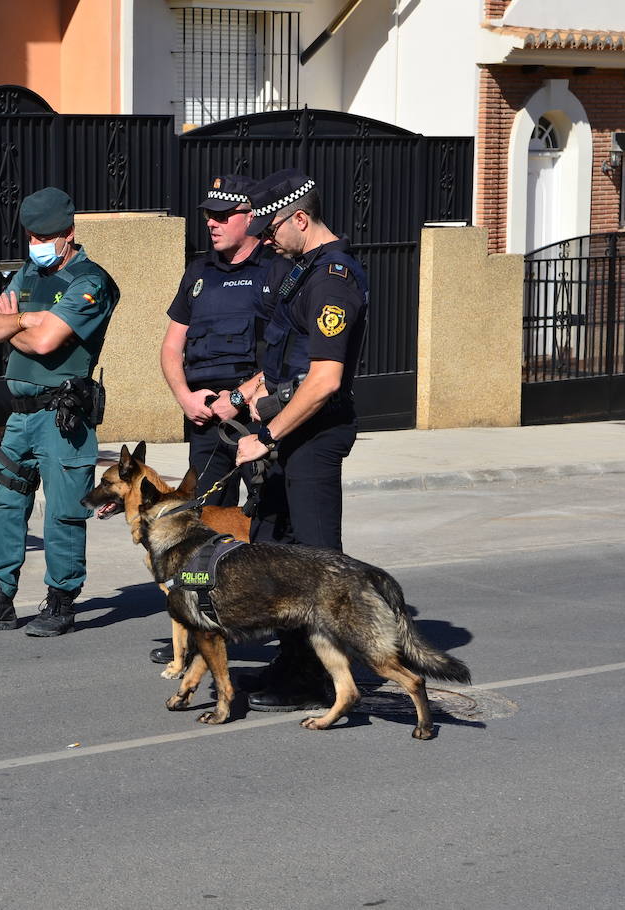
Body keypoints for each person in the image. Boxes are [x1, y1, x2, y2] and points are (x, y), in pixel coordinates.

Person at [0, 187, 119, 637]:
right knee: (5, 505)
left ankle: (61, 602)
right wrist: (28, 319)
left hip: (62, 418)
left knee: (63, 514)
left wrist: (15, 323)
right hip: (19, 417)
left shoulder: (90, 282)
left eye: (45, 236)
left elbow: (46, 343)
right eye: (31, 236)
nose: (37, 244)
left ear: (69, 233)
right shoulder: (27, 273)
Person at [231, 167, 370, 712]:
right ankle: (291, 661)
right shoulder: (302, 271)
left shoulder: (332, 279)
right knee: (279, 552)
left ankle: (317, 676)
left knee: (316, 562)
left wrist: (267, 435)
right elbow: (287, 359)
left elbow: (325, 379)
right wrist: (248, 392)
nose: (265, 241)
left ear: (301, 220)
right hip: (289, 429)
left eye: (270, 231)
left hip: (314, 435)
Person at [148, 174, 286, 666]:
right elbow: (171, 346)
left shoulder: (276, 270)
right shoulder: (199, 271)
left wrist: (239, 396)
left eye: (224, 215)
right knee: (200, 526)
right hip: (204, 421)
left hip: (254, 419)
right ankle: (200, 629)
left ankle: (278, 628)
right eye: (209, 214)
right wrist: (184, 397)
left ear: (251, 218)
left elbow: (287, 353)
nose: (212, 223)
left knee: (266, 522)